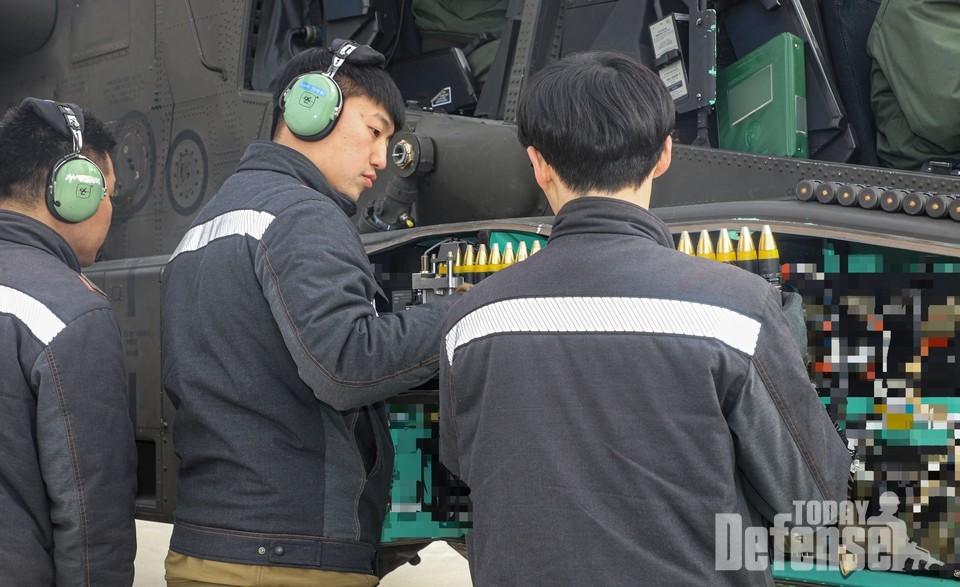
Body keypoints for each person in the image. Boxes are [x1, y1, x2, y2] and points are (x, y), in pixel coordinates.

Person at [439, 51, 852, 586]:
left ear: (538, 163)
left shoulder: (469, 322)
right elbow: (811, 505)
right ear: (664, 155)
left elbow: (464, 474)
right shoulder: (737, 311)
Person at [161, 40, 460, 586]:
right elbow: (344, 364)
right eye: (373, 131)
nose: (380, 159)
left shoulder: (202, 227)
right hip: (288, 562)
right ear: (311, 106)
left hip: (202, 550)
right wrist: (462, 311)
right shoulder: (303, 214)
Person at [0, 98, 137, 586]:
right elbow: (91, 521)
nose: (109, 212)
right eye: (107, 194)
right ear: (72, 190)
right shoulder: (70, 314)